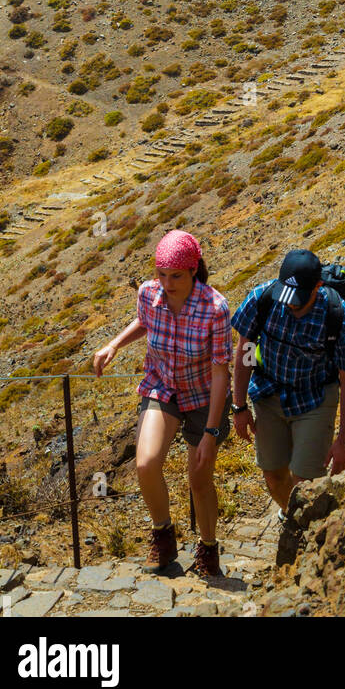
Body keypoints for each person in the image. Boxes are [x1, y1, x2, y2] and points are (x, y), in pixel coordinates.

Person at [92, 231, 232, 579]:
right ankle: (163, 535)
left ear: (194, 270)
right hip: (162, 386)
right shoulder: (148, 293)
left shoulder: (215, 308)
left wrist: (212, 431)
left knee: (199, 479)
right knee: (146, 462)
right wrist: (114, 345)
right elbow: (145, 321)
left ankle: (208, 547)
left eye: (176, 276)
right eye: (161, 274)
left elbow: (220, 373)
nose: (167, 283)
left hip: (203, 396)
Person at [231, 249, 345, 526]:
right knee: (273, 474)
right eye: (287, 298)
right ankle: (293, 518)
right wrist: (239, 405)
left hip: (314, 399)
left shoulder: (340, 317)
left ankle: (304, 533)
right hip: (268, 393)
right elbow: (246, 348)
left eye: (298, 301)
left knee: (304, 483)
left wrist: (344, 441)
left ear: (318, 286)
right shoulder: (263, 298)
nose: (291, 306)